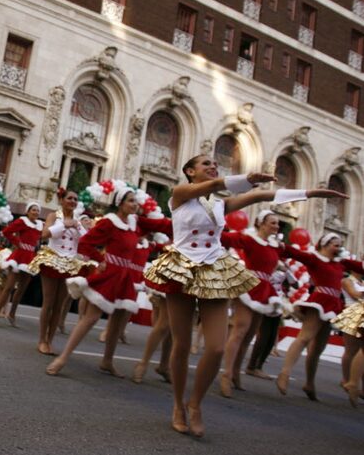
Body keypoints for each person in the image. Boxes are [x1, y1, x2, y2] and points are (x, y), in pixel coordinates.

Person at [143, 155, 343, 437]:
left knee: (215, 347)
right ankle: (178, 405)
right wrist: (245, 179)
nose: (212, 165)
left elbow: (262, 196)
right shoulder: (180, 194)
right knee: (181, 343)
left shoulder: (220, 204)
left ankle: (196, 404)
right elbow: (220, 184)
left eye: (214, 163)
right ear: (189, 171)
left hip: (214, 268)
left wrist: (309, 193)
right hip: (182, 269)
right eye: (204, 164)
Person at [46, 188, 171, 378]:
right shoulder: (109, 222)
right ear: (120, 203)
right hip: (110, 275)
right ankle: (62, 358)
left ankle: (107, 361)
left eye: (136, 202)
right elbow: (85, 243)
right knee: (91, 318)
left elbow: (161, 225)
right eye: (130, 201)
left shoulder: (135, 223)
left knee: (119, 321)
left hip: (126, 278)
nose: (135, 205)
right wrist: (100, 259)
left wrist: (188, 223)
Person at [276, 233, 364, 401]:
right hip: (319, 301)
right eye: (335, 245)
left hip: (333, 306)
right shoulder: (314, 259)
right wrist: (279, 246)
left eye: (340, 245)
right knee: (304, 338)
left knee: (317, 349)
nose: (339, 248)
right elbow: (293, 253)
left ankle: (309, 383)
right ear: (324, 244)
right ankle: (284, 374)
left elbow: (360, 266)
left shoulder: (341, 263)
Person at [218, 210, 289, 397]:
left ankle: (235, 373)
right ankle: (225, 374)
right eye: (273, 223)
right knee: (240, 330)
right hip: (248, 285)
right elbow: (228, 239)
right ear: (261, 224)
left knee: (250, 335)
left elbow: (295, 256)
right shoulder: (249, 239)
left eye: (277, 223)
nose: (276, 226)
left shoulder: (276, 246)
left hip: (265, 289)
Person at [27, 188, 92, 356]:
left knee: (59, 305)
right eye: (70, 198)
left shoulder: (77, 220)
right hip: (52, 259)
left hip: (70, 263)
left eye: (75, 199)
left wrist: (79, 227)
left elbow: (87, 240)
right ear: (62, 200)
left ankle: (50, 340)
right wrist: (64, 224)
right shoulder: (53, 216)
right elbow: (44, 234)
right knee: (48, 302)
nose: (73, 201)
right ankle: (42, 340)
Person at [0, 203, 43, 327]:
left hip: (30, 257)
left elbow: (38, 239)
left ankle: (12, 314)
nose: (36, 212)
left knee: (21, 290)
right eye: (33, 210)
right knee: (9, 287)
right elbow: (7, 232)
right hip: (19, 256)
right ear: (28, 211)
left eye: (38, 211)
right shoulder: (22, 221)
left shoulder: (40, 225)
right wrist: (17, 242)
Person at [332, 299, 364, 406]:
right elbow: (354, 293)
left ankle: (350, 382)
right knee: (353, 351)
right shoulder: (349, 281)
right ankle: (351, 382)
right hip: (357, 311)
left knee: (351, 351)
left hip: (356, 310)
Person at [340, 268, 364, 394]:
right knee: (351, 350)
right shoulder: (347, 280)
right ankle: (346, 379)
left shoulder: (361, 282)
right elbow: (354, 294)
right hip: (352, 314)